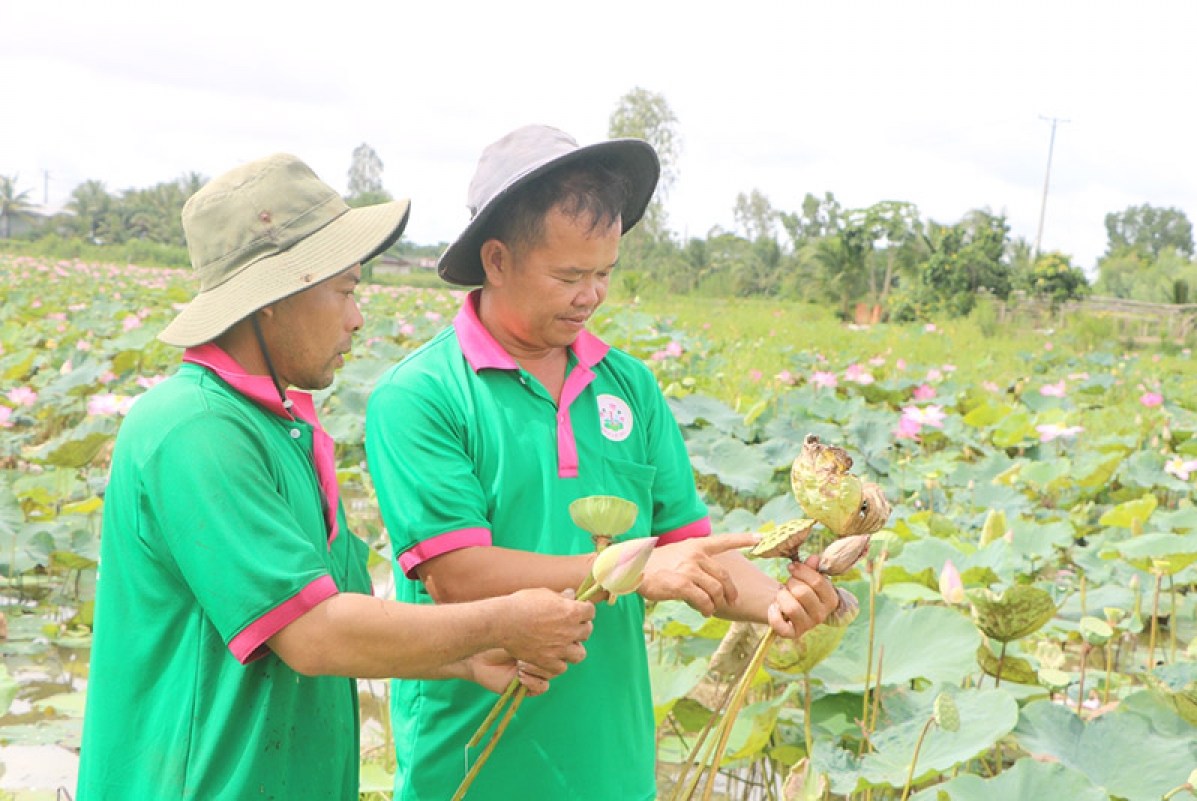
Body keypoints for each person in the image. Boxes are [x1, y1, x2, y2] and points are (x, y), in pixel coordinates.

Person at [76, 153, 595, 801]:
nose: (357, 318)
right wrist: (498, 624)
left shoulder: (281, 427)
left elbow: (342, 622)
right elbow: (314, 633)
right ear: (273, 297)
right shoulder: (194, 429)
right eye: (345, 290)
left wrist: (460, 657)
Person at [365, 125, 840, 801]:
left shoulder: (630, 387)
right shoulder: (422, 396)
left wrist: (779, 602)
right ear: (496, 260)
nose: (591, 295)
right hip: (474, 762)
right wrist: (633, 568)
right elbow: (457, 575)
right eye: (568, 275)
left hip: (611, 764)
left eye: (605, 273)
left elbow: (687, 548)